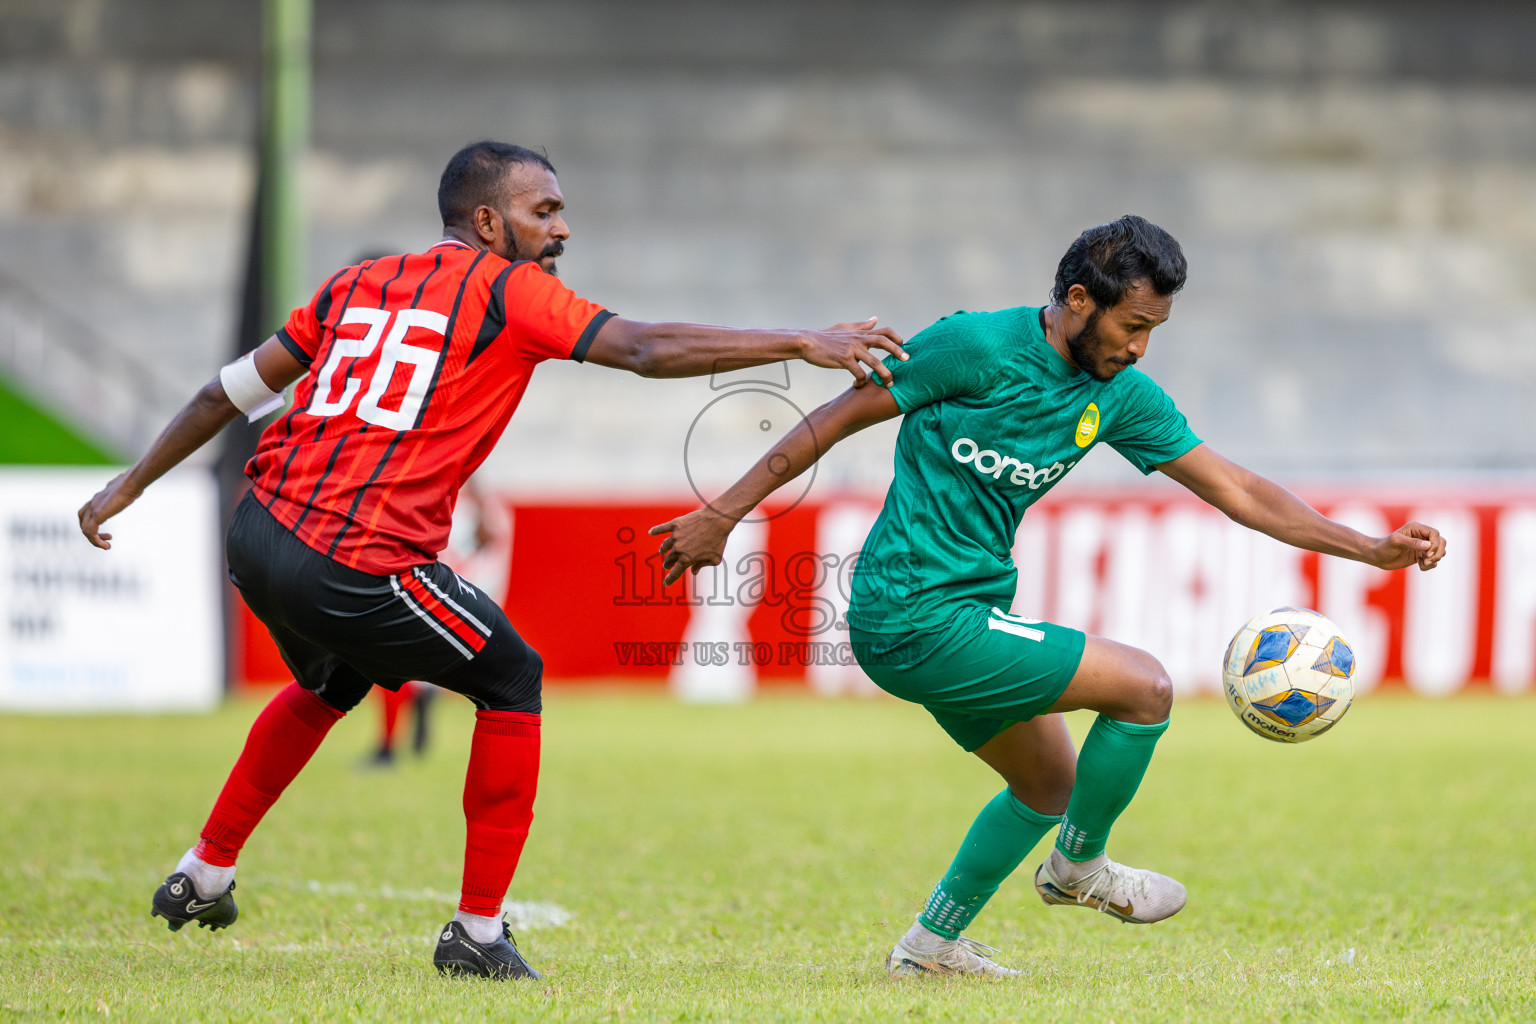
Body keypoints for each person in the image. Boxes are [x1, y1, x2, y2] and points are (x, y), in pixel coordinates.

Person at [77, 140, 907, 980]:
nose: (562, 228)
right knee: (513, 679)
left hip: (256, 533)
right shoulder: (511, 291)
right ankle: (476, 935)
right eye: (542, 211)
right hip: (356, 556)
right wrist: (801, 341)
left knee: (334, 679)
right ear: (486, 220)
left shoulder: (352, 285)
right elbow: (645, 350)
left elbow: (225, 392)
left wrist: (129, 485)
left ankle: (204, 870)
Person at [650, 215, 1446, 977]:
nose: (1138, 348)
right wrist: (723, 512)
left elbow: (1236, 487)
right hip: (911, 611)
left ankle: (931, 946)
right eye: (1131, 325)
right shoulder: (974, 346)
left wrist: (1368, 548)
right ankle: (1079, 867)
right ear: (1077, 301)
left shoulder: (1119, 396)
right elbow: (835, 417)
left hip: (966, 610)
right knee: (1146, 688)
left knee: (1048, 785)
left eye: (1153, 332)